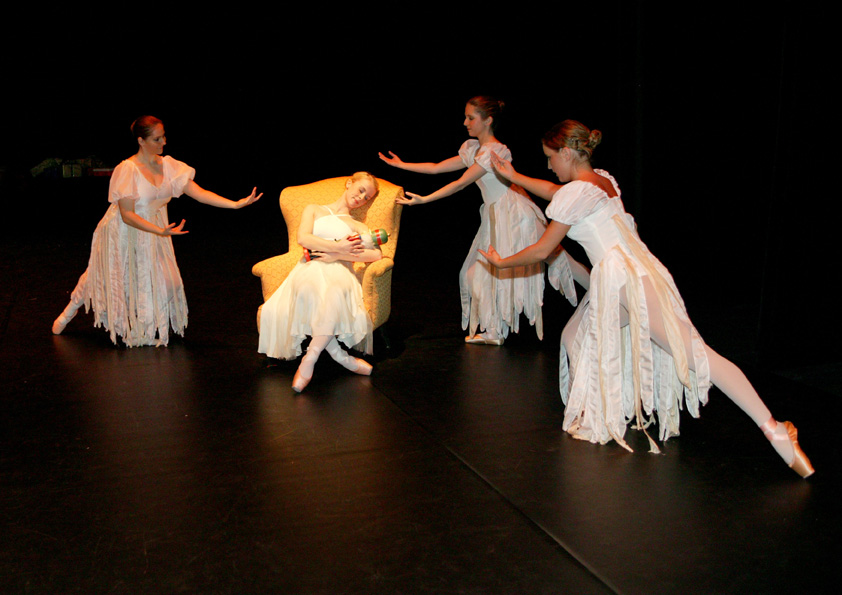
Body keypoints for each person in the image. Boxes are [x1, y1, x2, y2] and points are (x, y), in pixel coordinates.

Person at [480, 119, 814, 478]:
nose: (548, 165)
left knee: (697, 355)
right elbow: (552, 191)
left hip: (628, 280)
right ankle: (601, 413)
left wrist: (502, 262)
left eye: (550, 157)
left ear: (566, 153)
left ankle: (776, 431)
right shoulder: (600, 180)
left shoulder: (576, 192)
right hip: (622, 278)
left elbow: (543, 248)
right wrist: (513, 176)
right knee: (574, 337)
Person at [378, 96, 588, 345]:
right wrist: (402, 165)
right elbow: (436, 167)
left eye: (471, 118)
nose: (465, 122)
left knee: (558, 257)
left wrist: (425, 199)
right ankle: (494, 330)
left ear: (488, 120)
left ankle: (601, 289)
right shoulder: (472, 148)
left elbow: (460, 183)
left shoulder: (494, 151)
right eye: (465, 117)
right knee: (475, 274)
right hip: (496, 215)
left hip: (514, 214)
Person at [52, 115, 262, 347]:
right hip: (122, 231)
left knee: (167, 281)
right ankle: (70, 310)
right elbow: (127, 215)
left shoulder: (170, 166)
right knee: (104, 275)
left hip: (155, 231)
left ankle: (145, 326)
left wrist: (235, 204)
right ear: (141, 141)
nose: (163, 142)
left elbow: (199, 193)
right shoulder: (127, 169)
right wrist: (159, 231)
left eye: (163, 137)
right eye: (157, 139)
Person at [258, 172, 382, 392]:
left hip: (340, 272)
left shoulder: (357, 226)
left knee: (333, 294)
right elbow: (303, 238)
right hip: (309, 268)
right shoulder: (313, 209)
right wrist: (337, 246)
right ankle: (341, 357)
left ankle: (309, 360)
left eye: (367, 198)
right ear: (349, 183)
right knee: (309, 289)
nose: (361, 198)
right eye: (361, 190)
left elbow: (376, 255)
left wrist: (338, 255)